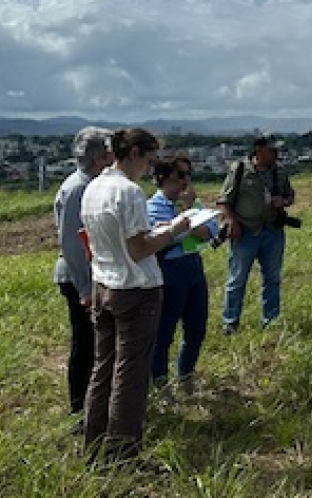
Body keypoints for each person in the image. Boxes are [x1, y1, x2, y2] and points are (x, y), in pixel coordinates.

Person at [81, 128, 192, 462]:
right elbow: (139, 247)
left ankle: (94, 441)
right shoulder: (128, 192)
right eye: (147, 159)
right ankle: (123, 452)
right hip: (135, 289)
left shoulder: (94, 187)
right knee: (130, 374)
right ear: (131, 154)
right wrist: (173, 231)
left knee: (103, 367)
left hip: (104, 284)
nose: (148, 167)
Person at [52, 126, 114, 427]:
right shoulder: (80, 188)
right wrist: (85, 288)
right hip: (80, 279)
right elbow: (72, 242)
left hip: (90, 276)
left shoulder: (92, 183)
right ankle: (80, 410)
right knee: (86, 344)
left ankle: (94, 406)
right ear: (101, 157)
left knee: (97, 343)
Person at [217, 135, 296, 334]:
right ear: (259, 150)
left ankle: (271, 320)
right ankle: (230, 321)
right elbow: (223, 201)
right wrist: (231, 222)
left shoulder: (280, 172)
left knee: (272, 278)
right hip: (245, 232)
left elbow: (290, 195)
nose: (276, 154)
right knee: (237, 278)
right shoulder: (240, 170)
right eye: (272, 150)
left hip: (272, 231)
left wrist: (284, 202)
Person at [148, 155, 214, 394]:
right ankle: (160, 383)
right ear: (163, 179)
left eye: (188, 175)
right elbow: (163, 240)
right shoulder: (153, 207)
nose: (186, 182)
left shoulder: (191, 204)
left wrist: (187, 219)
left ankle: (186, 375)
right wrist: (185, 228)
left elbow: (210, 232)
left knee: (196, 326)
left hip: (193, 265)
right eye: (180, 176)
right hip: (170, 270)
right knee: (164, 331)